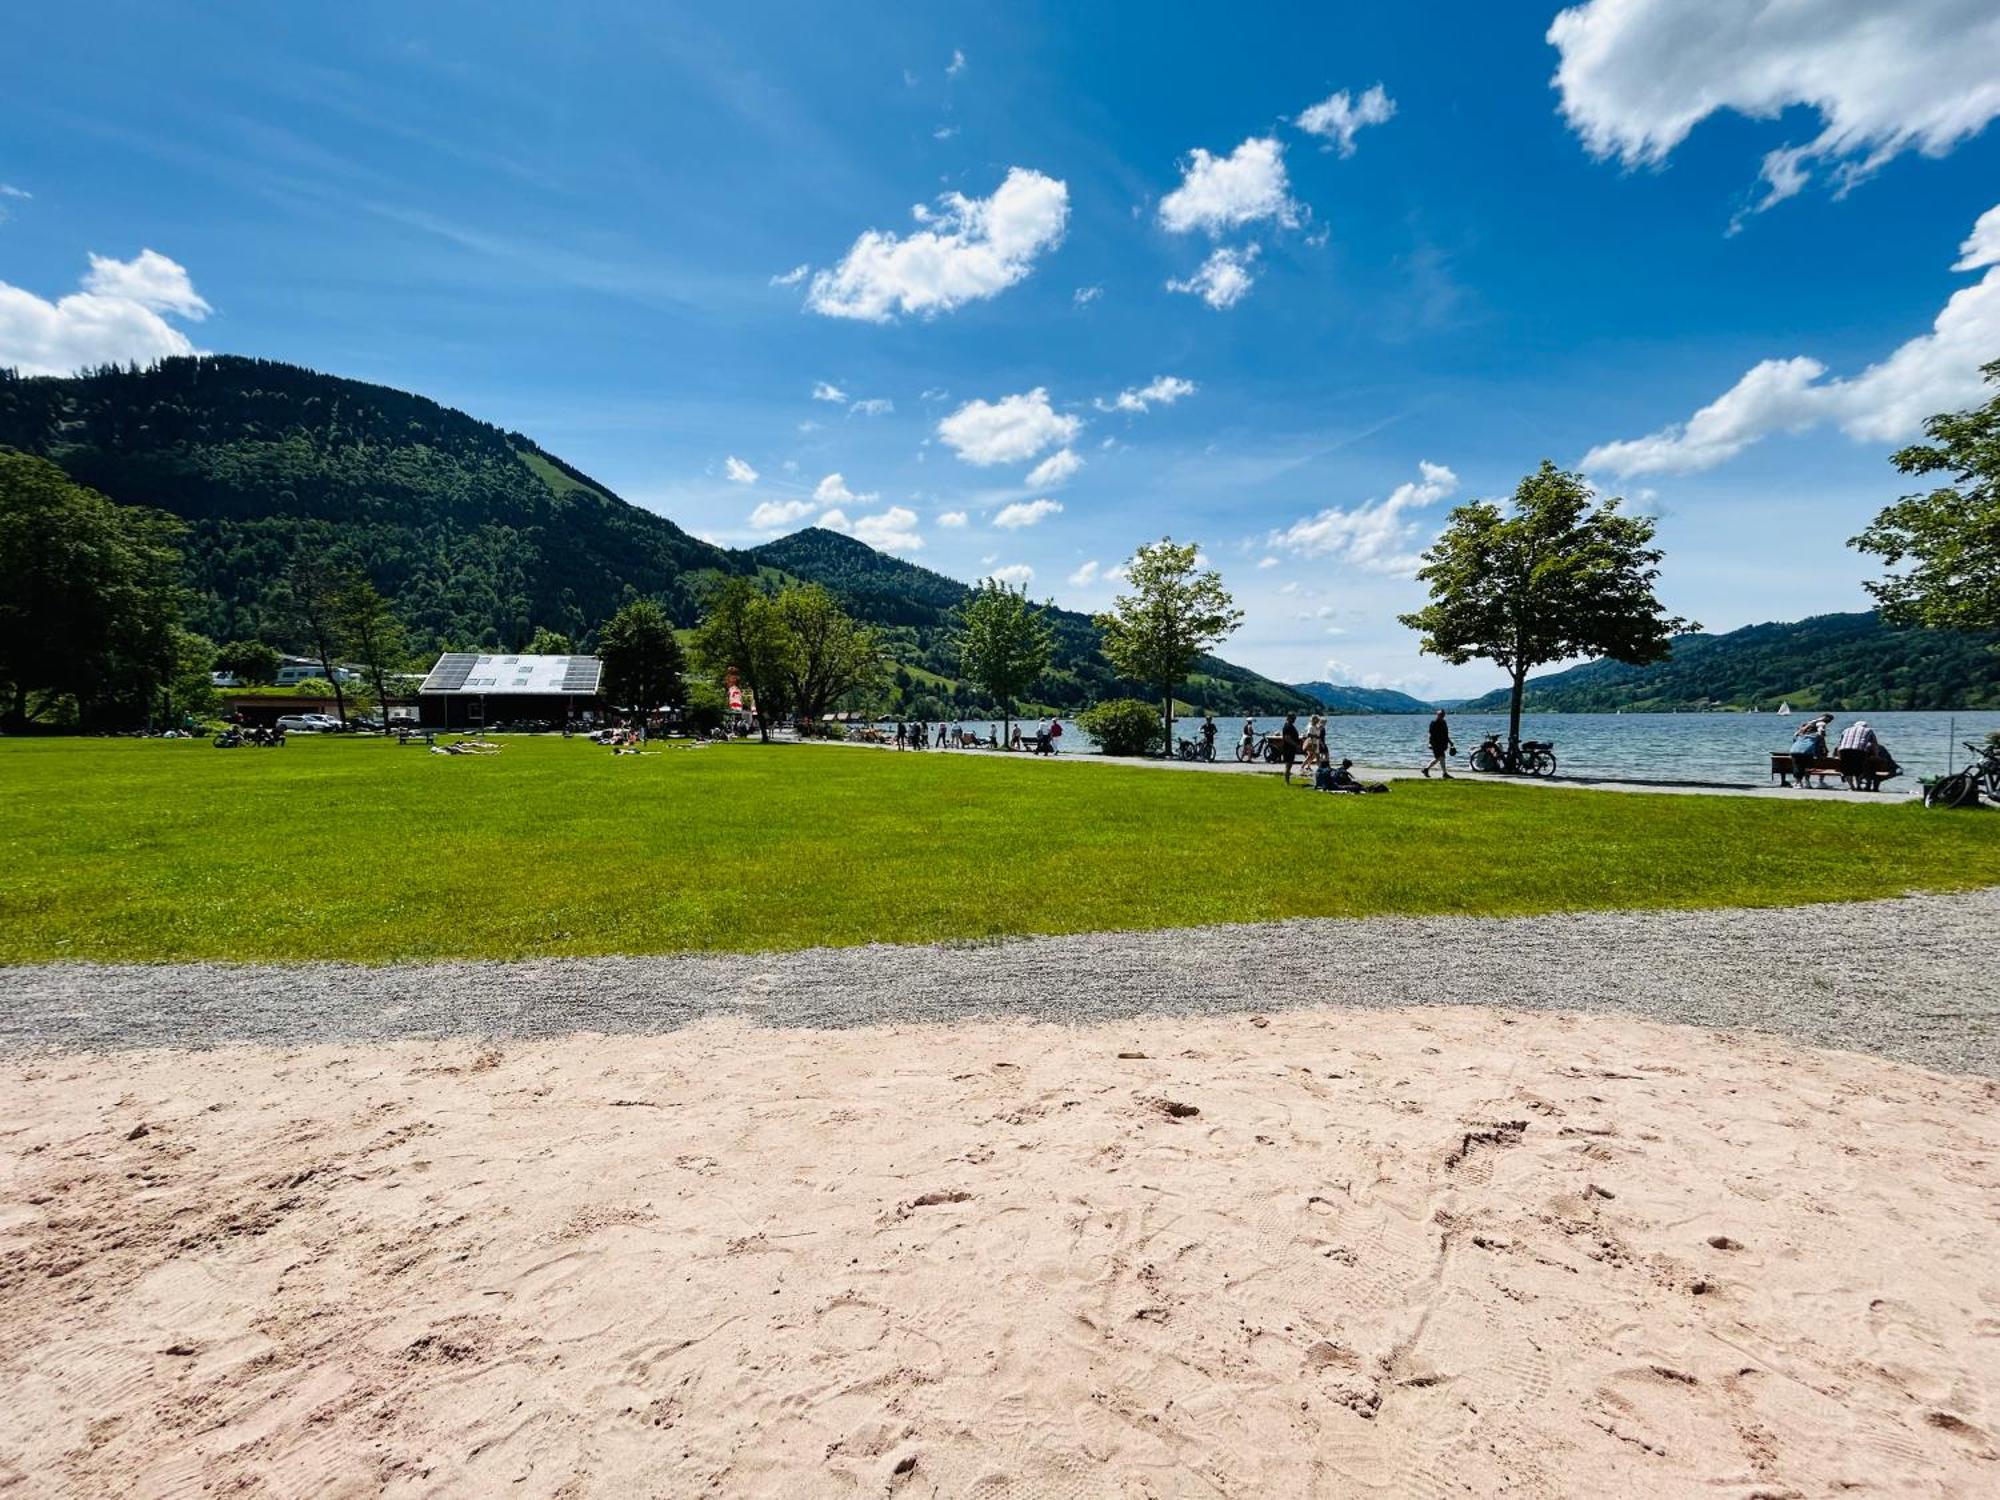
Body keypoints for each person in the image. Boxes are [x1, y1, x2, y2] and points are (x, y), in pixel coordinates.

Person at [1788, 717, 1828, 789]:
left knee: (1797, 767)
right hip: (1807, 752)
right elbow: (1819, 746)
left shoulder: (1799, 734)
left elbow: (1794, 740)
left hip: (1794, 751)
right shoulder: (1817, 736)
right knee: (1807, 767)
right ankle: (1807, 782)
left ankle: (1798, 783)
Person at [1422, 710, 1454, 779]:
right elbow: (1431, 734)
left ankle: (1426, 769)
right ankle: (1444, 773)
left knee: (1438, 758)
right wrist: (1430, 743)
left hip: (1442, 744)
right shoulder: (1433, 723)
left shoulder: (1444, 722)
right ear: (1437, 715)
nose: (1442, 716)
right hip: (1435, 744)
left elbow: (1446, 734)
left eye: (1443, 715)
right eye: (1440, 715)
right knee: (1441, 757)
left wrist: (1450, 742)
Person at [1279, 713, 1302, 783]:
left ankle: (1287, 781)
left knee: (1289, 765)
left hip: (1291, 748)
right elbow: (1287, 738)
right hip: (1288, 748)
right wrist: (1296, 745)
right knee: (1288, 766)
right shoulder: (1287, 726)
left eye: (1295, 718)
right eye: (1293, 718)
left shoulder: (1290, 726)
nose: (1294, 720)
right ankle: (1287, 781)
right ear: (1289, 718)